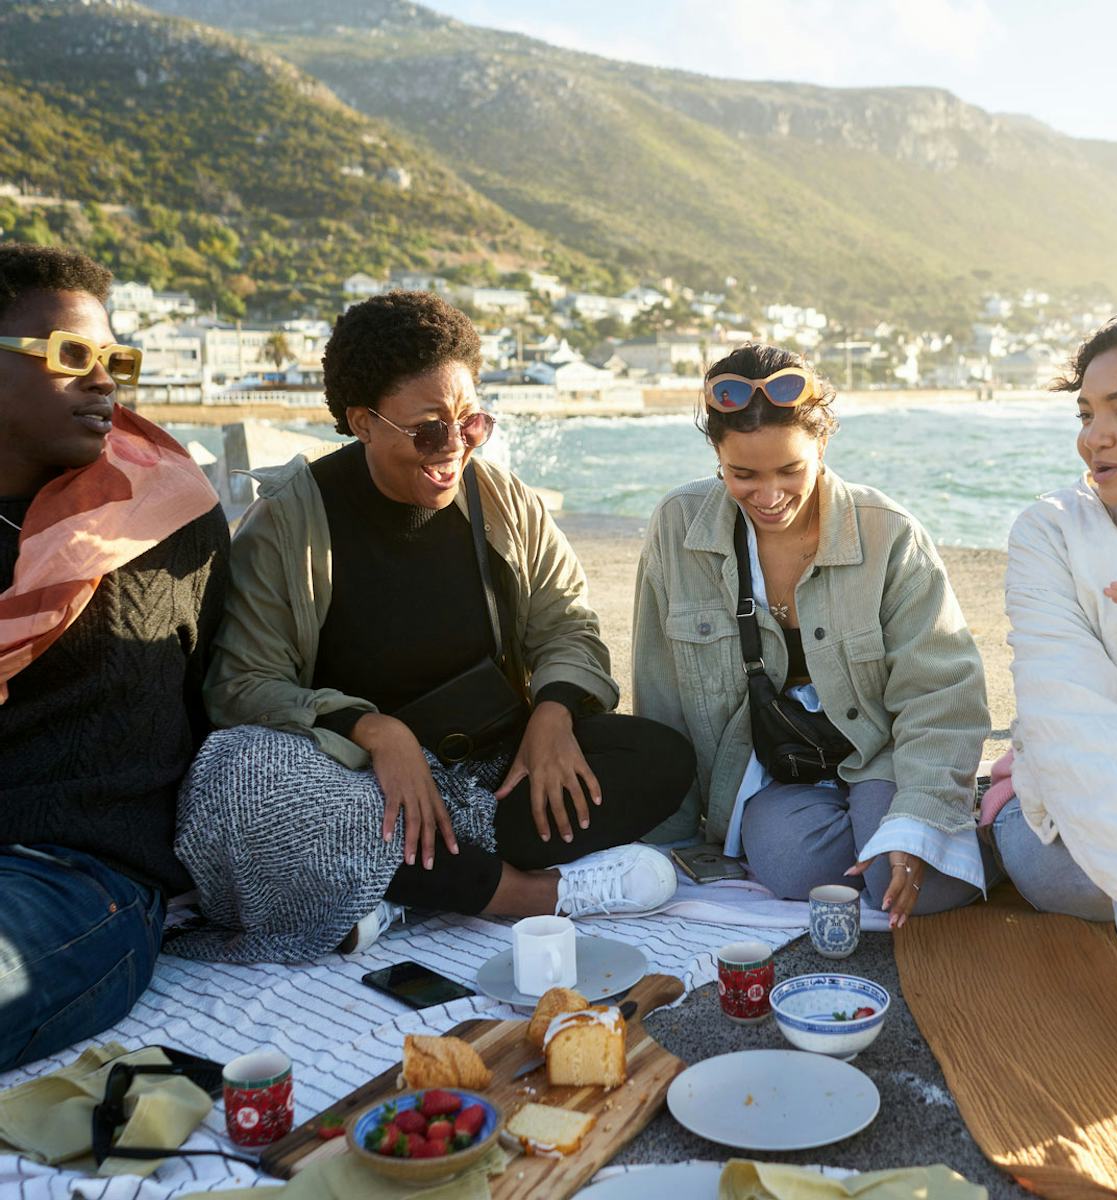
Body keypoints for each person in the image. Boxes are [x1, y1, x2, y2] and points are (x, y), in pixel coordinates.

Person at [173, 290, 694, 962]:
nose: (454, 448)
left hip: (489, 774)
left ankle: (401, 889)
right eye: (428, 430)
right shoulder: (291, 522)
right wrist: (374, 730)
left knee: (657, 756)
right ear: (363, 422)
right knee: (238, 774)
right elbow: (242, 683)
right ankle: (531, 894)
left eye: (472, 423)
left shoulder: (503, 502)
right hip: (358, 787)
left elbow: (567, 622)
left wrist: (555, 712)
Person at [632, 344, 995, 927]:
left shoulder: (891, 535)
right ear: (715, 455)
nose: (769, 496)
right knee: (790, 869)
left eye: (790, 471)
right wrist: (672, 844)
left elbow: (942, 691)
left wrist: (922, 815)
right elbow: (660, 689)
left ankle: (981, 826)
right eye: (742, 475)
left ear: (822, 445)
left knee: (900, 879)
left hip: (882, 750)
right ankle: (870, 827)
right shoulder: (677, 524)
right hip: (776, 768)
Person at [0, 243, 229, 1071]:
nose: (105, 381)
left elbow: (221, 692)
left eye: (114, 358)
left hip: (79, 876)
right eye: (71, 357)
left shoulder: (162, 521)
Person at [981, 304, 1117, 1095]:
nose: (1091, 437)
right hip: (1057, 826)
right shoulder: (1054, 534)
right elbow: (1074, 739)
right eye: (1086, 413)